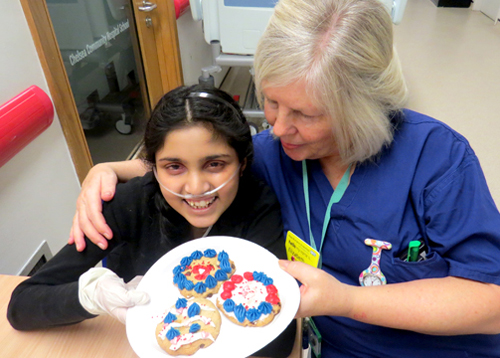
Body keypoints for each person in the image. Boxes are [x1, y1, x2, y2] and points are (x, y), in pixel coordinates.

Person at [67, 0, 500, 356]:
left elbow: (491, 302)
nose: (277, 127)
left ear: (363, 110)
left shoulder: (436, 159)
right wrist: (109, 171)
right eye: (271, 101)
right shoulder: (276, 153)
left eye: (305, 115)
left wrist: (347, 300)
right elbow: (202, 165)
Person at [7, 85, 295, 358]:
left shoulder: (258, 206)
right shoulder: (129, 203)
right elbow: (22, 305)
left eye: (215, 164)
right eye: (174, 167)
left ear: (242, 164)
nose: (195, 187)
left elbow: (278, 343)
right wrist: (90, 296)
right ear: (153, 168)